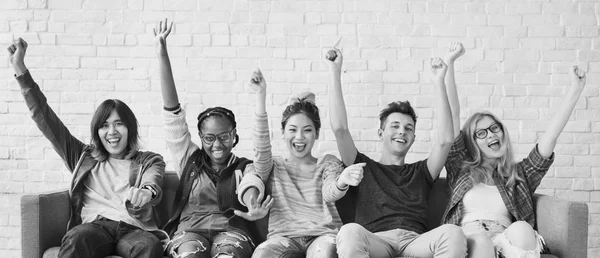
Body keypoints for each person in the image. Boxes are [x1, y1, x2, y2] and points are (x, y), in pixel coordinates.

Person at [7, 38, 165, 257]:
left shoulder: (148, 160)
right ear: (97, 132)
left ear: (130, 128)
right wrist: (20, 70)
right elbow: (44, 118)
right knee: (76, 238)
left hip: (133, 229)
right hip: (95, 227)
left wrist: (146, 192)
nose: (112, 132)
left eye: (119, 124)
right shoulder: (82, 156)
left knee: (149, 246)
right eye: (104, 126)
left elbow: (153, 180)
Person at [442, 42, 587, 258]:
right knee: (481, 242)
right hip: (467, 242)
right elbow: (453, 115)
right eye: (481, 133)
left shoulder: (518, 175)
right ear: (472, 143)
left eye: (494, 128)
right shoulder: (460, 168)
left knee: (522, 228)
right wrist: (450, 63)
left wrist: (576, 89)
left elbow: (550, 138)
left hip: (505, 244)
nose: (491, 134)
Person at [325, 47, 467, 258]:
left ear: (413, 138)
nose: (402, 131)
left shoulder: (422, 171)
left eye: (408, 128)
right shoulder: (361, 164)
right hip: (376, 241)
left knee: (453, 233)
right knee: (349, 232)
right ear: (381, 133)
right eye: (395, 126)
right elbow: (339, 129)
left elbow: (446, 140)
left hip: (415, 243)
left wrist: (439, 81)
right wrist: (335, 72)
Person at [153, 19, 268, 258]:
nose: (217, 144)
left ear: (234, 135)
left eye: (224, 136)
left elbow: (251, 183)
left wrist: (252, 201)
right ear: (201, 138)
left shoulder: (243, 166)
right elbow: (172, 113)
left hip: (231, 231)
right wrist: (162, 54)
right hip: (189, 231)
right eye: (209, 138)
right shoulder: (189, 159)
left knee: (227, 253)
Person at [236, 68, 345, 257]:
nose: (299, 137)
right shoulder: (274, 165)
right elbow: (261, 149)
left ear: (317, 133)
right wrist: (260, 96)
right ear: (283, 133)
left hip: (323, 235)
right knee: (262, 254)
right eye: (293, 129)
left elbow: (331, 191)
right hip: (283, 237)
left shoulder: (329, 163)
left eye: (307, 130)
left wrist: (342, 182)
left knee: (325, 253)